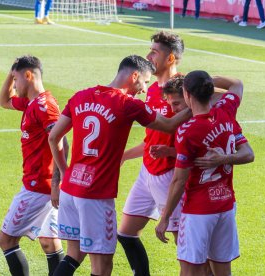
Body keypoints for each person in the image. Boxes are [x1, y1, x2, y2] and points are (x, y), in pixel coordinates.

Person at [48, 55, 190, 276]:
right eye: (144, 82)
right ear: (134, 76)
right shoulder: (128, 104)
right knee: (102, 267)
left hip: (70, 190)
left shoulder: (80, 96)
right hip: (95, 195)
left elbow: (53, 137)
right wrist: (201, 102)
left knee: (73, 255)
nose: (144, 89)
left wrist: (64, 172)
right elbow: (170, 125)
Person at [155, 71, 244, 276]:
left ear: (187, 94)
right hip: (226, 205)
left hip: (199, 210)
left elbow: (179, 180)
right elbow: (237, 84)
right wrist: (210, 80)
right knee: (222, 271)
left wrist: (165, 217)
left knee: (189, 270)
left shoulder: (187, 130)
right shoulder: (226, 111)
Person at [117, 31, 184, 276]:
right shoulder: (153, 89)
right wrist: (124, 155)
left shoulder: (185, 90)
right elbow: (151, 140)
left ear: (171, 58)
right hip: (147, 172)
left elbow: (200, 136)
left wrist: (171, 152)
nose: (148, 56)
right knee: (125, 232)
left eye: (155, 52)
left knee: (185, 248)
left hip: (170, 175)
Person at [0, 55, 64, 276]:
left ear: (28, 75)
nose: (14, 85)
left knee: (6, 240)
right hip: (42, 186)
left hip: (38, 187)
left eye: (16, 79)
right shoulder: (30, 102)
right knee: (49, 242)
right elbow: (4, 101)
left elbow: (62, 140)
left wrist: (57, 182)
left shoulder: (44, 106)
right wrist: (11, 71)